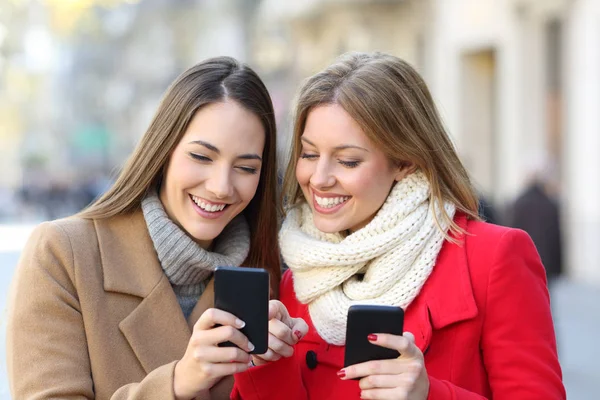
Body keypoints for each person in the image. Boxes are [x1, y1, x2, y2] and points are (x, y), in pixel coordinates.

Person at [232, 52, 565, 399]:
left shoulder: (493, 257)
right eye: (309, 154)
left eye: (348, 160)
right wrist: (265, 365)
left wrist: (429, 394)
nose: (318, 178)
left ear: (404, 161)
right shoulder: (299, 273)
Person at [7, 57, 281, 400]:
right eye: (201, 157)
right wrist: (177, 383)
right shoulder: (64, 253)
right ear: (163, 151)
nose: (221, 187)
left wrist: (279, 371)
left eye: (245, 167)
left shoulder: (269, 275)